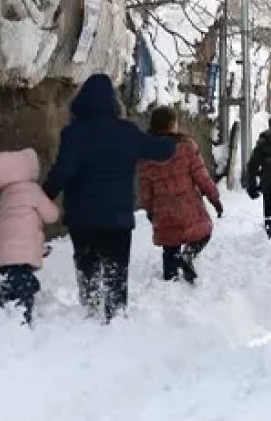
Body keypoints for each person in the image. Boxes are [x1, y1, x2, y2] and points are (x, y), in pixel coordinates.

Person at [44, 74, 176, 322]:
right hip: (117, 219)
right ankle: (115, 318)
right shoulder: (126, 132)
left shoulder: (73, 134)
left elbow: (64, 170)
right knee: (116, 271)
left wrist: (44, 195)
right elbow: (161, 151)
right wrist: (171, 139)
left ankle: (91, 310)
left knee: (88, 267)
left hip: (82, 218)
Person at [138, 106, 222, 284]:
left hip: (163, 210)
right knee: (204, 232)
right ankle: (188, 255)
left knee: (170, 246)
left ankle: (169, 281)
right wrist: (214, 198)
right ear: (171, 124)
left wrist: (149, 209)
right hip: (187, 206)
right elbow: (201, 176)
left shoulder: (146, 153)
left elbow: (145, 186)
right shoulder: (186, 146)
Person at [0, 149, 60, 325]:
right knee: (26, 286)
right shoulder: (32, 190)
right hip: (20, 252)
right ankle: (21, 316)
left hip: (2, 252)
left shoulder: (7, 194)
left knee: (18, 281)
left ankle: (4, 298)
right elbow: (50, 215)